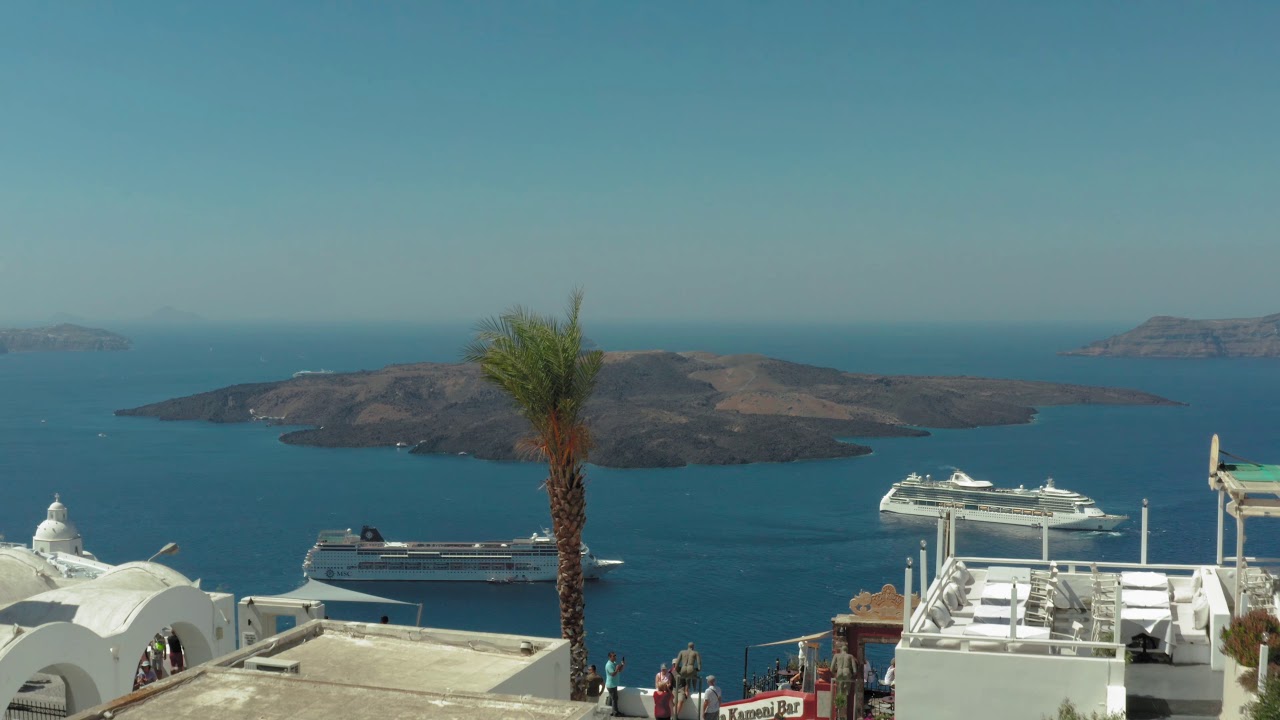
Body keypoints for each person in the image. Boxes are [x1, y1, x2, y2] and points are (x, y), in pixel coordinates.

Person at [675, 642, 701, 716]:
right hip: (690, 668)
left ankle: (687, 689)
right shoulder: (695, 653)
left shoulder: (682, 652)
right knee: (694, 674)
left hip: (683, 669)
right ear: (693, 647)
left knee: (687, 676)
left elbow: (677, 663)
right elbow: (699, 664)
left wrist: (678, 670)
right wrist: (698, 669)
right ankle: (694, 688)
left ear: (688, 646)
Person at [604, 650, 625, 717]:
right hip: (611, 685)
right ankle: (615, 712)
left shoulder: (614, 663)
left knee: (613, 698)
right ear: (610, 657)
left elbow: (619, 670)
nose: (615, 657)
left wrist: (622, 665)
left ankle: (613, 711)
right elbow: (613, 674)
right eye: (614, 656)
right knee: (614, 699)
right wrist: (616, 669)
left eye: (615, 655)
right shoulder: (609, 665)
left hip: (613, 684)